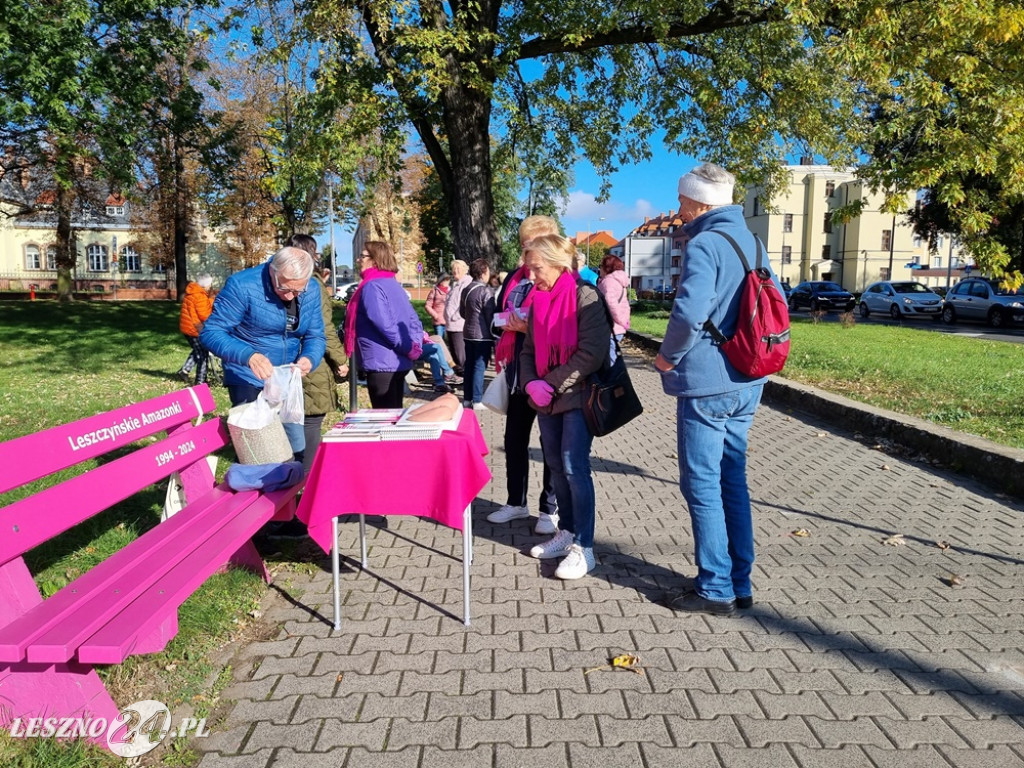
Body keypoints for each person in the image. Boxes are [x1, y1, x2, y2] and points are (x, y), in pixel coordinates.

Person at [653, 162, 781, 615]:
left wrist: (667, 356)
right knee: (732, 480)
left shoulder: (705, 243)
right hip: (750, 376)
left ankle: (715, 588)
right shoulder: (753, 241)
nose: (679, 208)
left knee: (702, 484)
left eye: (682, 199)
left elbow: (689, 313)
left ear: (700, 201)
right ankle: (738, 581)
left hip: (709, 382)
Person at [520, 233, 611, 580]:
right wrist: (531, 383)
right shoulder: (538, 299)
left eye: (537, 268)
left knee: (574, 467)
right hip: (545, 399)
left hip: (577, 394)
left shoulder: (584, 295)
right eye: (529, 268)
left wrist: (551, 383)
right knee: (556, 466)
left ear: (558, 264)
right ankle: (567, 532)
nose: (531, 275)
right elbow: (527, 350)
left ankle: (584, 548)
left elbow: (591, 353)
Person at [487, 215, 560, 534]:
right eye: (523, 244)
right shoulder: (515, 277)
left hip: (549, 374)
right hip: (517, 372)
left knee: (550, 443)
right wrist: (504, 322)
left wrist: (530, 326)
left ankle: (549, 509)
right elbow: (494, 313)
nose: (525, 250)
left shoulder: (561, 277)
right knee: (514, 440)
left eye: (531, 244)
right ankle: (516, 502)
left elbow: (565, 325)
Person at [200, 246, 325, 415]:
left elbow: (315, 335)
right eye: (284, 288)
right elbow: (211, 332)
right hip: (247, 375)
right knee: (259, 438)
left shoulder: (312, 288)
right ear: (273, 270)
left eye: (297, 291)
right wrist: (249, 356)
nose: (289, 296)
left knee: (294, 440)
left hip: (285, 377)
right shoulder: (241, 285)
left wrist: (309, 358)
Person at [285, 234, 350, 476]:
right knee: (311, 418)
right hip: (309, 360)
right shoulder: (311, 284)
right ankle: (306, 481)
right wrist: (340, 360)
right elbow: (323, 327)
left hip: (288, 359)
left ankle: (297, 477)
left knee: (296, 420)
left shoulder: (280, 281)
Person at [344, 241, 423, 408]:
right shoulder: (393, 284)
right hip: (397, 361)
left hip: (382, 362)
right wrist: (414, 346)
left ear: (375, 260)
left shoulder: (372, 286)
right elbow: (414, 320)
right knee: (394, 414)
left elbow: (384, 324)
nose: (359, 260)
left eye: (362, 256)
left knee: (384, 419)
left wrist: (407, 347)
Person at [460, 258, 496, 408]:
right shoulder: (485, 291)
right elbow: (490, 316)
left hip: (468, 333)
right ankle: (477, 399)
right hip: (483, 335)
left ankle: (467, 399)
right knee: (479, 367)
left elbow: (462, 312)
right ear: (483, 272)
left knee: (469, 366)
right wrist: (494, 334)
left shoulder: (466, 289)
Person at [176, 275, 214, 385]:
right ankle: (201, 381)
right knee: (203, 354)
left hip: (187, 328)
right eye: (210, 284)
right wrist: (212, 302)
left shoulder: (191, 293)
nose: (210, 286)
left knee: (197, 350)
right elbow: (205, 315)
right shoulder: (200, 296)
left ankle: (184, 371)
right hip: (195, 330)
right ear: (206, 285)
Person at [597, 254, 631, 351]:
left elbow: (611, 305)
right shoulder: (617, 281)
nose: (600, 269)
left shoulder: (609, 282)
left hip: (611, 327)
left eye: (601, 266)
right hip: (616, 326)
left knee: (609, 359)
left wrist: (621, 321)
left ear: (607, 268)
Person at [444, 260, 471, 372]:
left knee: (460, 355)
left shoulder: (466, 283)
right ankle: (461, 375)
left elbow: (464, 303)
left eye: (458, 269)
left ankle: (464, 375)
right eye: (454, 269)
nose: (455, 271)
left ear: (465, 270)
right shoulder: (456, 284)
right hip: (451, 324)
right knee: (455, 353)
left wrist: (454, 317)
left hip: (458, 325)